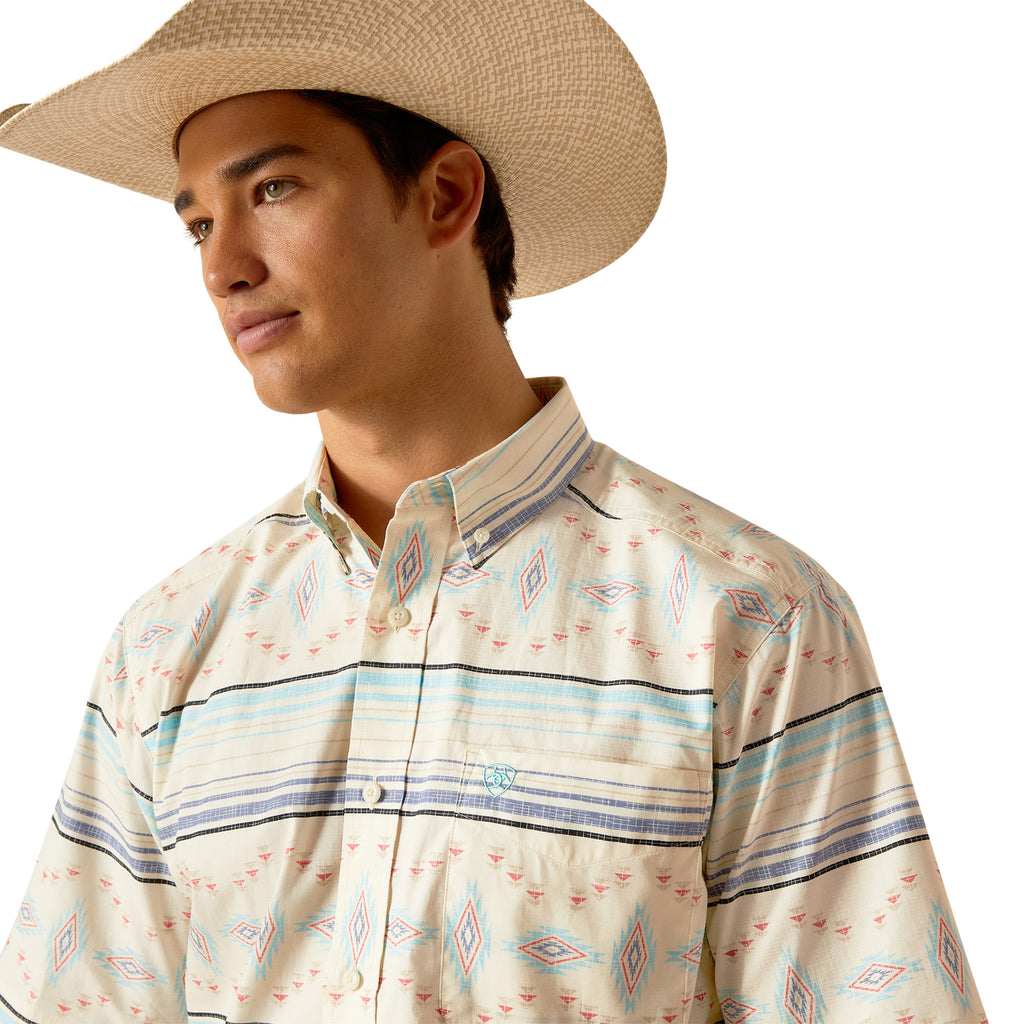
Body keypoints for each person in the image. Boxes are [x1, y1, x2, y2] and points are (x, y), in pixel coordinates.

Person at [0, 0, 996, 1021]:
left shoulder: (743, 619)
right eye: (200, 224)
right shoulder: (167, 648)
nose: (223, 268)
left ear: (445, 196)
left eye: (274, 188)